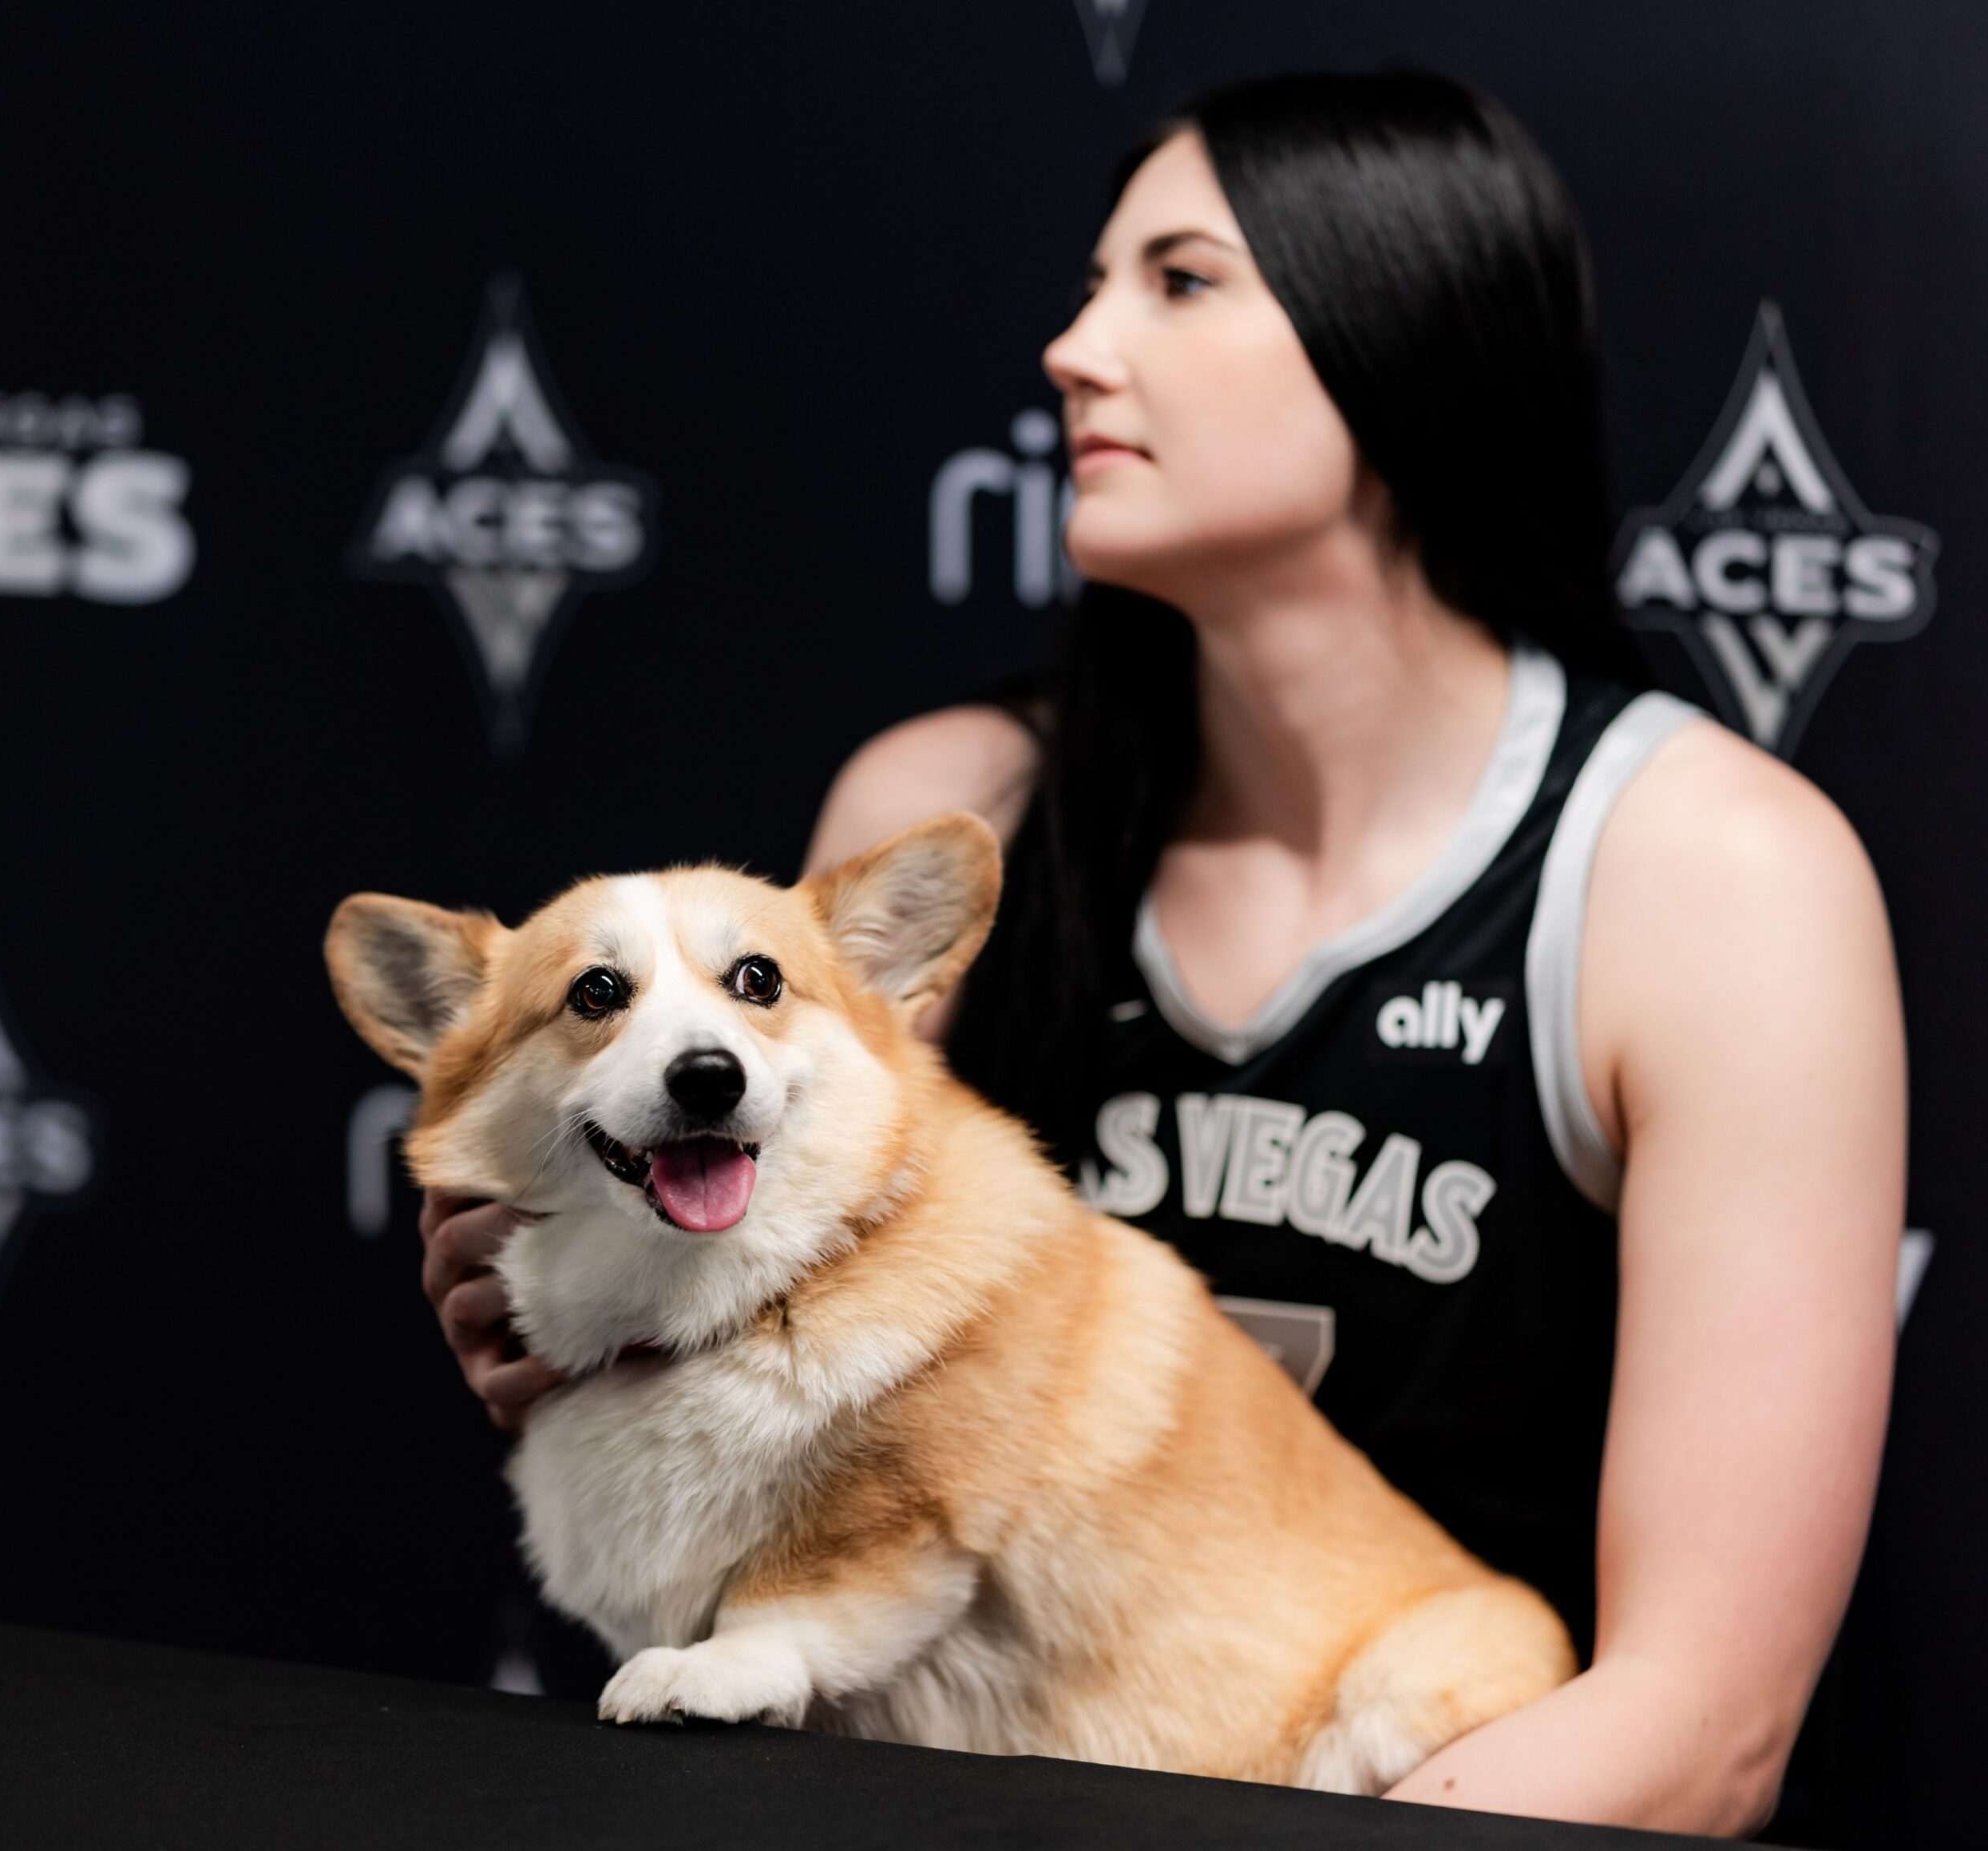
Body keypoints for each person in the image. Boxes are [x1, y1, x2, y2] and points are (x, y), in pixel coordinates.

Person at [419, 73, 1903, 1837]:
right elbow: (774, 1411)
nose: (1069, 346)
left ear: (1400, 336)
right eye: (1087, 280)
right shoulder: (952, 797)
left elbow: (1705, 1715)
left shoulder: (1709, 873)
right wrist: (576, 1313)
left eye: (1177, 281)